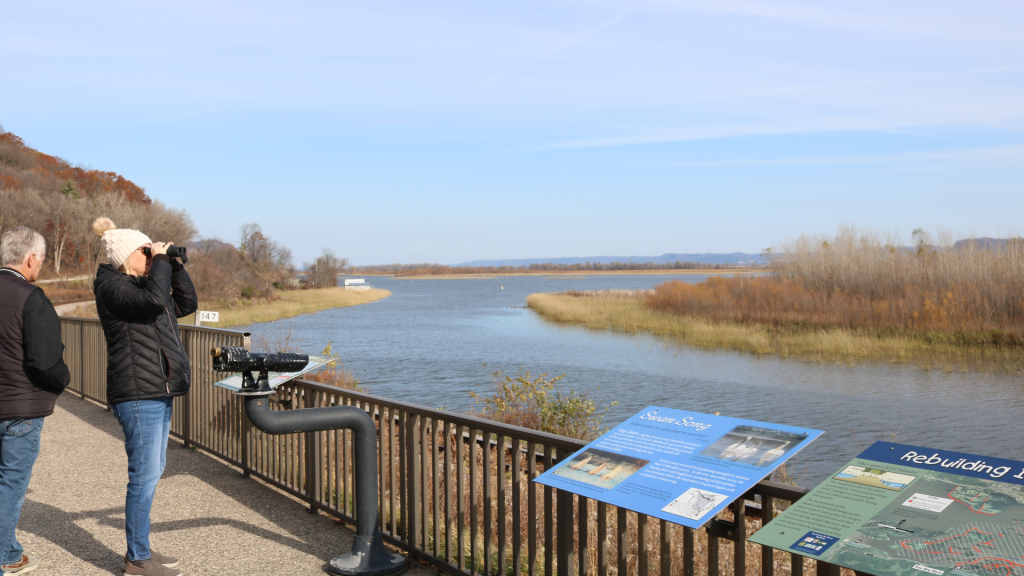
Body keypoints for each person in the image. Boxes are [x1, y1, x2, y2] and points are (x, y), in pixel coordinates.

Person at [92, 218, 197, 576]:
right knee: (144, 476)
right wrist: (162, 264)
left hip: (156, 389)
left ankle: (142, 550)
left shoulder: (140, 285)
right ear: (125, 256)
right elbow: (155, 301)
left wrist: (174, 265)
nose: (152, 256)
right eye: (145, 251)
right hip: (138, 393)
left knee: (151, 472)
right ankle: (137, 560)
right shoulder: (112, 287)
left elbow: (186, 303)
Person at [0, 227, 71, 576]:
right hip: (20, 410)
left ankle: (9, 552)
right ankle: (3, 558)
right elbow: (45, 361)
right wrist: (62, 383)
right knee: (10, 487)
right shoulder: (31, 297)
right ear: (30, 258)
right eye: (41, 260)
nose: (40, 266)